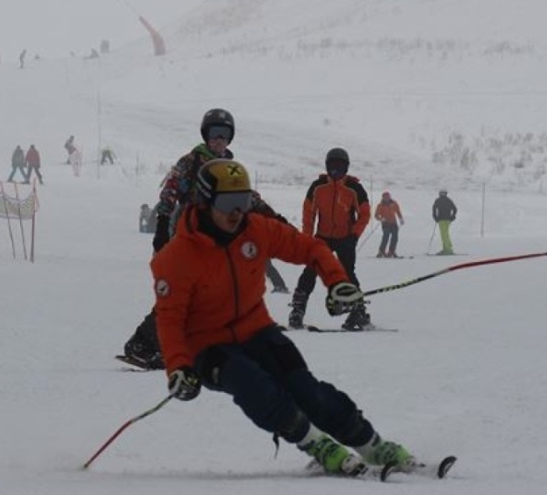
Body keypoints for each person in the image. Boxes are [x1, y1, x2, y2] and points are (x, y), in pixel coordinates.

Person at [154, 159, 416, 476]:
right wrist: (178, 367)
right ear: (205, 202)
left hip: (257, 331)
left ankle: (370, 444)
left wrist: (337, 281)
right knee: (253, 385)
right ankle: (315, 444)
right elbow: (169, 320)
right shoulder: (176, 258)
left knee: (306, 389)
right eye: (227, 203)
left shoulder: (256, 230)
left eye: (243, 201)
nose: (236, 212)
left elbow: (311, 248)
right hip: (208, 348)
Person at [122, 108, 290, 369]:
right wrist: (162, 227)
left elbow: (248, 198)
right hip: (189, 236)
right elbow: (170, 191)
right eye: (214, 134)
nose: (219, 140)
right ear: (205, 135)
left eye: (224, 134)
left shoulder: (230, 169)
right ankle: (143, 344)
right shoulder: (192, 162)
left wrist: (276, 219)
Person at [288, 147, 371, 331]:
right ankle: (297, 310)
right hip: (322, 238)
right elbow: (308, 214)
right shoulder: (317, 187)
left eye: (340, 166)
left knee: (347, 273)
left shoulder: (354, 188)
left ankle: (358, 312)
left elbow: (364, 214)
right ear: (327, 166)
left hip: (346, 238)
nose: (336, 170)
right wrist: (307, 238)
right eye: (333, 166)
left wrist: (354, 235)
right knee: (310, 271)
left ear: (346, 167)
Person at [374, 191, 404, 257]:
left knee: (395, 237)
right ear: (383, 198)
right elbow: (376, 215)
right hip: (385, 223)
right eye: (385, 197)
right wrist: (381, 219)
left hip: (393, 223)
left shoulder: (394, 203)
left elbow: (398, 211)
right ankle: (381, 251)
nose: (387, 198)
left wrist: (401, 218)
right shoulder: (380, 205)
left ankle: (391, 251)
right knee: (386, 236)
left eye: (388, 197)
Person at [432, 189, 456, 255]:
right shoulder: (448, 200)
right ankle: (447, 248)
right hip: (448, 220)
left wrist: (435, 217)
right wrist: (452, 217)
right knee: (446, 234)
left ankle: (447, 249)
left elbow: (434, 209)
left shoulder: (438, 200)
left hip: (441, 219)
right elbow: (455, 209)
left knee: (444, 234)